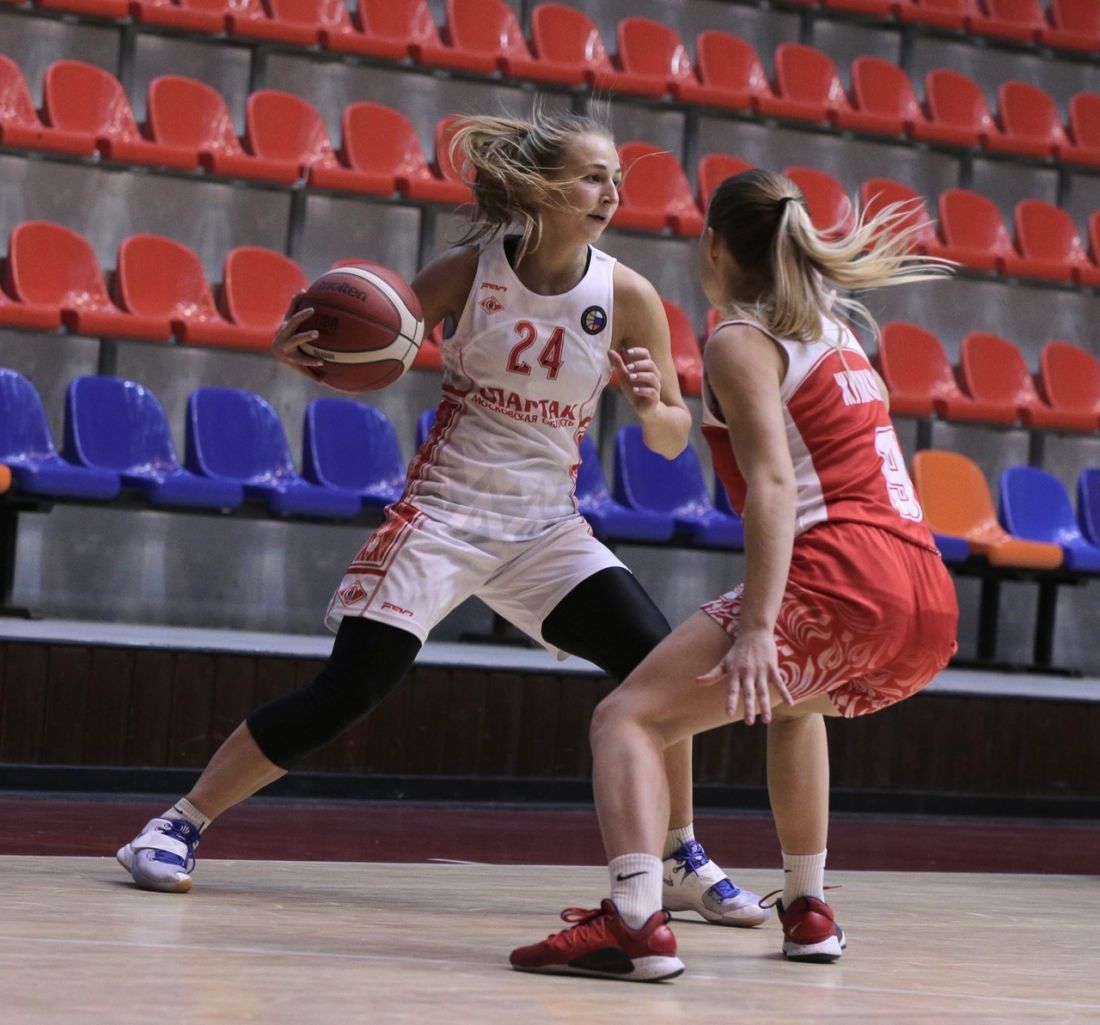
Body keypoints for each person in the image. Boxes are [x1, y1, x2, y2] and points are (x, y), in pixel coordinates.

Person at [114, 108, 768, 929]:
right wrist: (310, 355)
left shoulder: (628, 295)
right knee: (349, 688)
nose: (610, 194)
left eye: (616, 180)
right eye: (592, 177)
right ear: (541, 186)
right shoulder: (468, 272)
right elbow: (369, 349)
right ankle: (174, 825)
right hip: (445, 515)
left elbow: (673, 439)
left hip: (546, 529)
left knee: (656, 665)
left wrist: (649, 408)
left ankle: (679, 857)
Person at [510, 168, 960, 982]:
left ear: (713, 244)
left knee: (627, 718)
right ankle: (808, 906)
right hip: (925, 600)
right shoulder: (837, 331)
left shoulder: (737, 338)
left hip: (843, 576)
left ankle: (635, 920)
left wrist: (757, 628)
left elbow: (777, 485)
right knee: (795, 705)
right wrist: (662, 408)